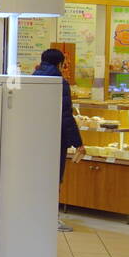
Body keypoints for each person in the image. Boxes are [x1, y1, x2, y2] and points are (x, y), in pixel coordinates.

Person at [33, 48, 83, 232]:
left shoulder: (32, 79)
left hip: (33, 139)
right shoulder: (59, 83)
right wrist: (77, 142)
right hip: (54, 140)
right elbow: (65, 116)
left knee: (36, 178)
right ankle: (51, 219)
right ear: (60, 64)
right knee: (53, 178)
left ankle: (34, 216)